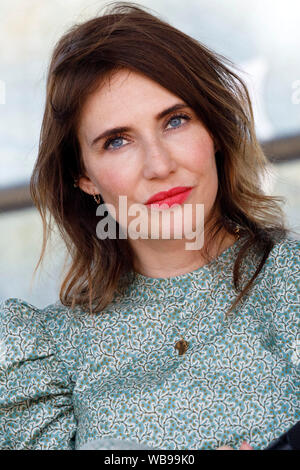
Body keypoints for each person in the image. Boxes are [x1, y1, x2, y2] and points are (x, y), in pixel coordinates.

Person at [0, 2, 299, 451]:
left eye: (175, 120)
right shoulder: (41, 354)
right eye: (117, 141)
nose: (159, 165)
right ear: (84, 176)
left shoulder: (290, 283)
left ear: (213, 131)